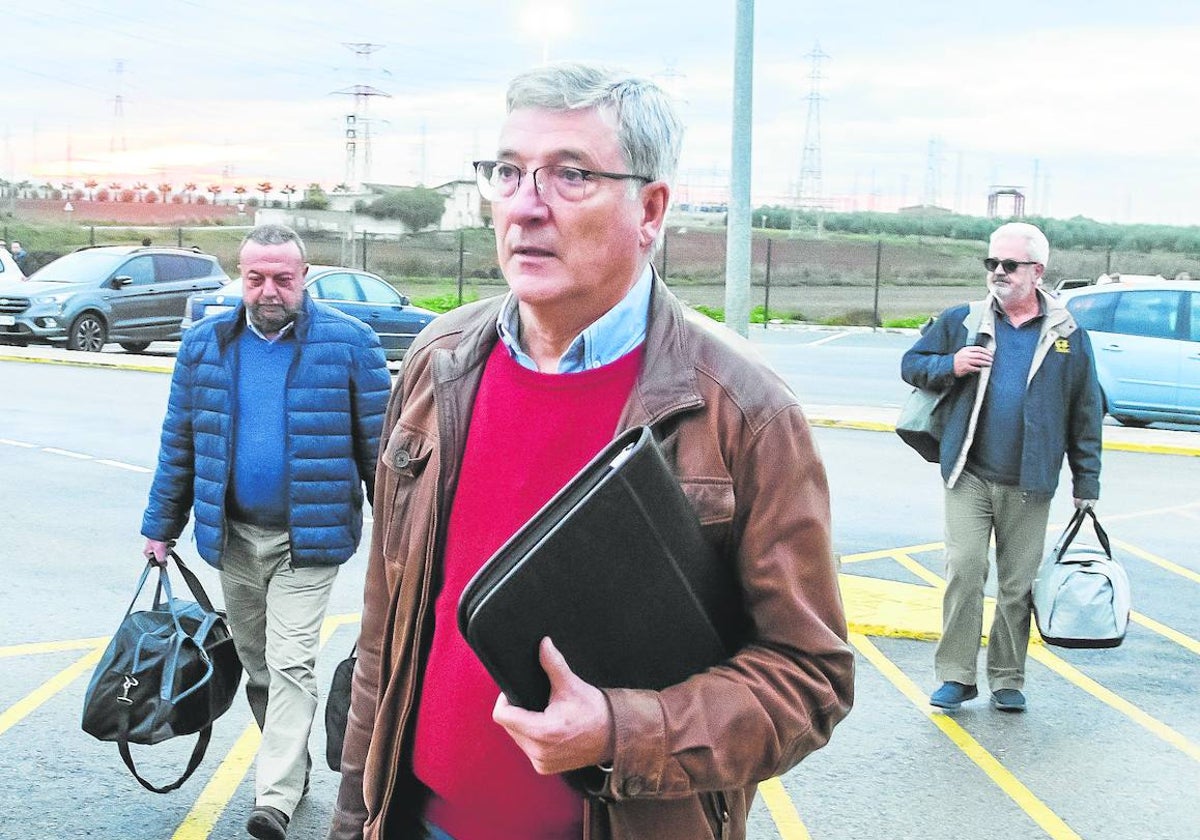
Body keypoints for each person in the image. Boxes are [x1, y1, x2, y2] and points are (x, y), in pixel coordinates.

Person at [328, 63, 854, 840]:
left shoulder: (745, 412)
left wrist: (621, 729)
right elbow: (387, 630)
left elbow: (810, 679)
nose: (526, 207)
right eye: (508, 172)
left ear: (649, 209)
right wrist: (353, 820)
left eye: (570, 175)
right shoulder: (439, 363)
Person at [140, 223, 391, 840]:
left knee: (290, 663)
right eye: (256, 278)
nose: (270, 290)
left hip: (310, 540)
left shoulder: (350, 344)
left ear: (304, 278)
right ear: (240, 278)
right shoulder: (204, 346)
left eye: (283, 278)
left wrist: (401, 530)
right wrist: (159, 526)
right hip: (233, 538)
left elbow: (380, 449)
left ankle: (273, 798)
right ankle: (293, 767)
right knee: (257, 666)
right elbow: (180, 445)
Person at [901, 221, 1103, 714]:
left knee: (1016, 587)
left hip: (1030, 484)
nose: (998, 272)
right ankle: (956, 676)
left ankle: (1008, 678)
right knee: (965, 572)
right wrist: (950, 364)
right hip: (968, 474)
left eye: (1009, 265)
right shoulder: (962, 321)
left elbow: (1085, 411)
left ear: (1037, 271)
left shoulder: (1069, 337)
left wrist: (1086, 480)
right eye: (991, 263)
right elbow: (911, 363)